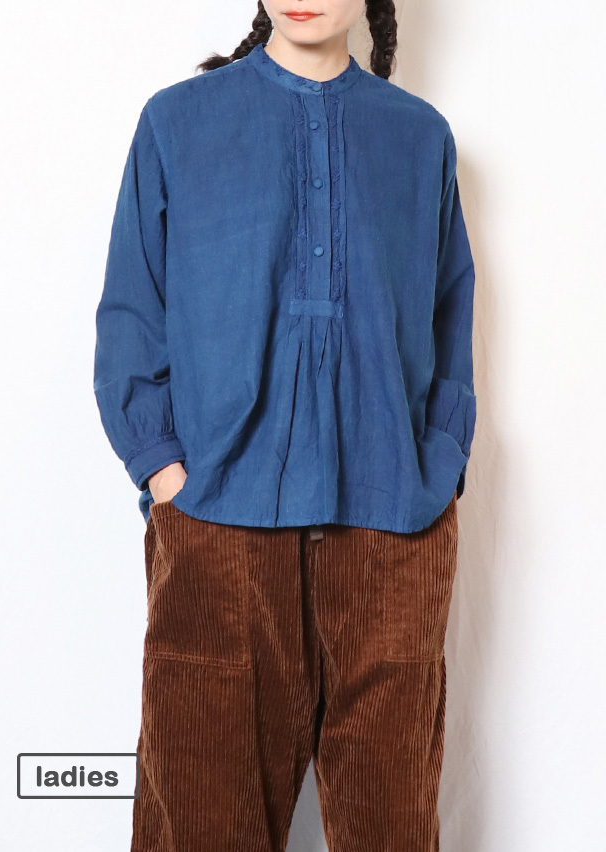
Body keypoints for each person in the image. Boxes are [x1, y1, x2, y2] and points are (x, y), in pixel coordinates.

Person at [93, 1, 477, 849]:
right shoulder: (177, 123)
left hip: (390, 532)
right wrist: (164, 471)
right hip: (219, 527)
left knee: (392, 828)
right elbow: (132, 312)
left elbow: (451, 313)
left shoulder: (420, 137)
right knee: (201, 823)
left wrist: (440, 464)